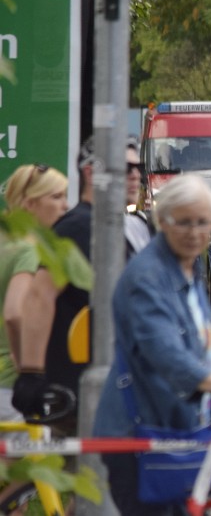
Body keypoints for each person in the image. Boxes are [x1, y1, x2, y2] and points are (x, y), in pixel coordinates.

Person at [92, 174, 211, 516]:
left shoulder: (184, 267)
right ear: (162, 221)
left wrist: (208, 332)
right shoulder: (147, 276)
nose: (194, 232)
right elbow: (163, 352)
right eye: (184, 222)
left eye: (203, 222)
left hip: (174, 427)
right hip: (140, 433)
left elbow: (177, 322)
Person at [11, 136, 152, 424]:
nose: (136, 175)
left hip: (115, 385)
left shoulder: (121, 226)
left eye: (139, 167)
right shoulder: (77, 227)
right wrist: (31, 373)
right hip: (78, 392)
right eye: (125, 168)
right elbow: (39, 297)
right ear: (91, 173)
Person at [0, 164, 69, 425]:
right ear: (29, 204)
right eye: (56, 197)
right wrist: (26, 370)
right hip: (9, 388)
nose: (65, 206)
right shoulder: (28, 250)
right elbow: (14, 312)